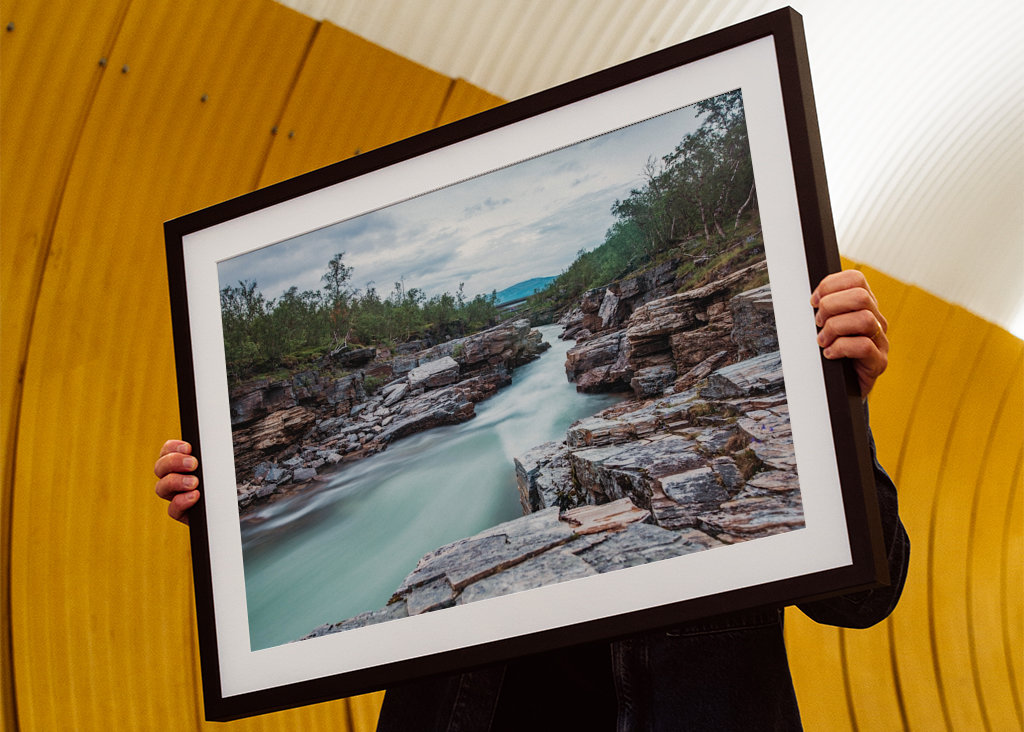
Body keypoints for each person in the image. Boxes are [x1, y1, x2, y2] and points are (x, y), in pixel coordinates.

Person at [155, 270, 908, 730]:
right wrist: (225, 511)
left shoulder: (791, 374)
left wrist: (836, 408)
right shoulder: (468, 455)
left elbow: (865, 597)